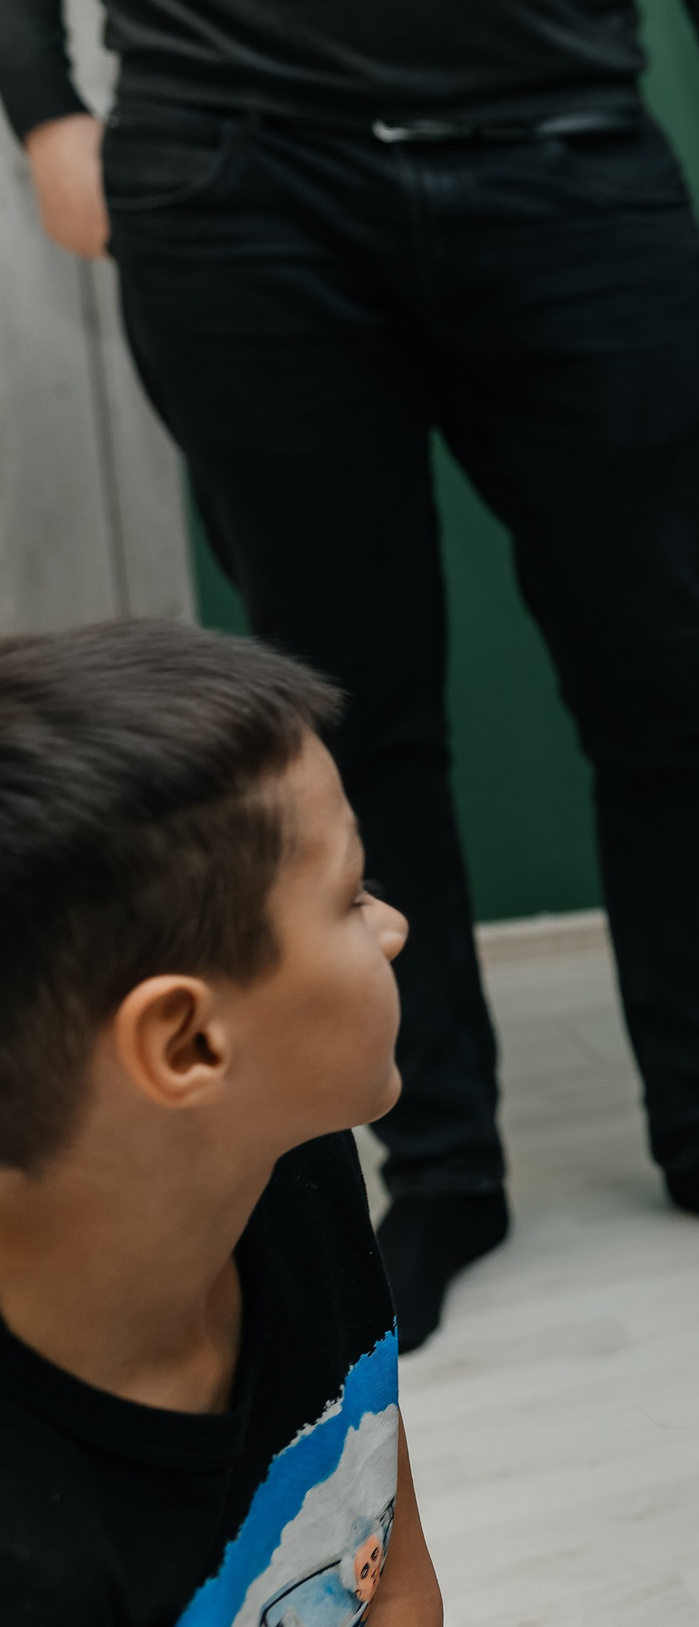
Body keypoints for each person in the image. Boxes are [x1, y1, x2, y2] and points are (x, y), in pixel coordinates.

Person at [0, 0, 699, 1345]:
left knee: (666, 686)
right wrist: (47, 111)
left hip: (569, 159)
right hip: (233, 182)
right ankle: (441, 1161)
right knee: (347, 714)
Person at [0, 621, 441, 1624]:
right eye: (348, 895)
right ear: (189, 1044)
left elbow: (390, 1571)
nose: (392, 925)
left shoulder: (286, 1156)